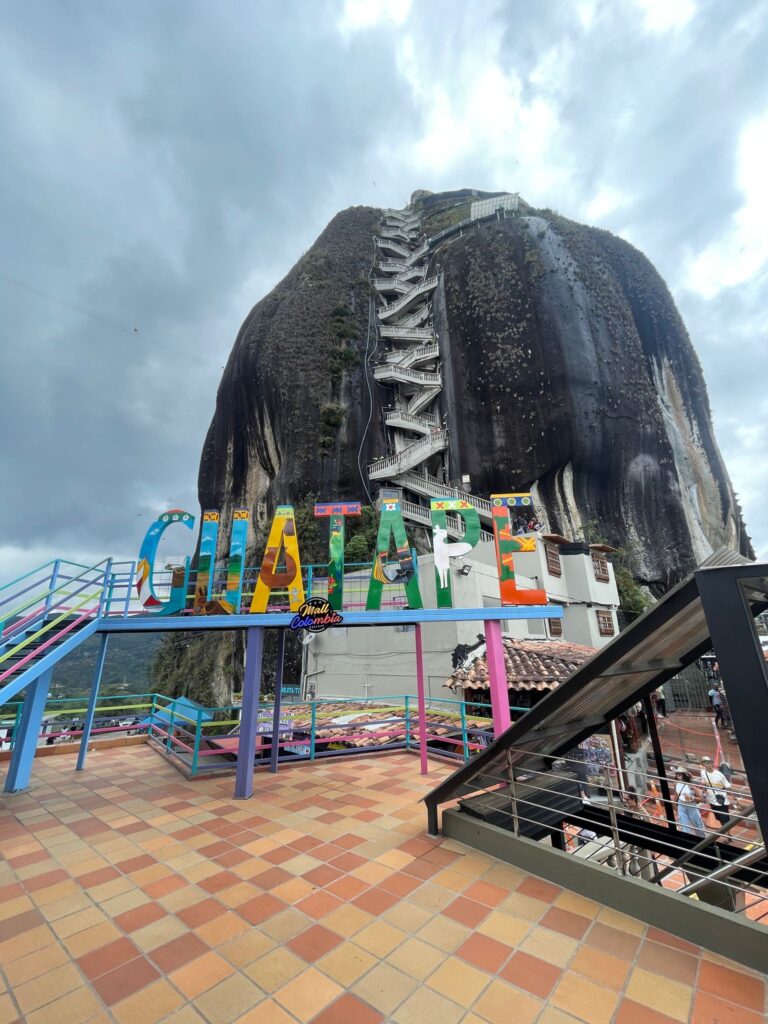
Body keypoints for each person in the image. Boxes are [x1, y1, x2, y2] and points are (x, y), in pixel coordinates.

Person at [700, 756, 732, 829]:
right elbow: (704, 784)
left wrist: (734, 798)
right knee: (719, 818)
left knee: (725, 819)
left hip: (721, 799)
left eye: (710, 762)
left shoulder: (719, 774)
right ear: (703, 764)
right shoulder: (703, 772)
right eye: (706, 763)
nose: (709, 764)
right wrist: (703, 793)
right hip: (712, 799)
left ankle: (727, 835)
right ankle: (726, 833)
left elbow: (728, 786)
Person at [674, 768, 706, 838]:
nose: (677, 775)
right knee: (684, 827)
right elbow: (676, 796)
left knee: (698, 826)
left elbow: (702, 799)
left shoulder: (691, 785)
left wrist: (692, 798)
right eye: (676, 774)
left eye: (679, 774)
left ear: (684, 775)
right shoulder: (676, 784)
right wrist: (676, 807)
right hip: (681, 805)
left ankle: (703, 842)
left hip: (691, 805)